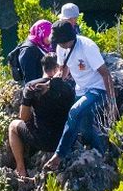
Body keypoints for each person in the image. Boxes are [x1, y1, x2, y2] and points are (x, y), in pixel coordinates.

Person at [45, 20, 117, 171]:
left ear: (68, 39)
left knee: (74, 112)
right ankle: (101, 155)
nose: (57, 44)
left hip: (98, 89)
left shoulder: (87, 47)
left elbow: (106, 74)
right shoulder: (61, 47)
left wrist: (112, 102)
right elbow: (64, 69)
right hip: (81, 89)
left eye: (59, 41)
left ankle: (59, 155)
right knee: (85, 128)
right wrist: (57, 79)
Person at [8, 54, 75, 177]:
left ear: (43, 68)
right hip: (66, 141)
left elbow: (24, 117)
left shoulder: (31, 87)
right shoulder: (69, 87)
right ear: (57, 68)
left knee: (13, 126)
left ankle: (21, 169)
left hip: (43, 141)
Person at [17, 19, 53, 85]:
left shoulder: (45, 46)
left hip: (46, 85)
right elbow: (30, 80)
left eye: (51, 35)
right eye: (48, 35)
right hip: (38, 89)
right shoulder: (28, 51)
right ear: (40, 34)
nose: (51, 38)